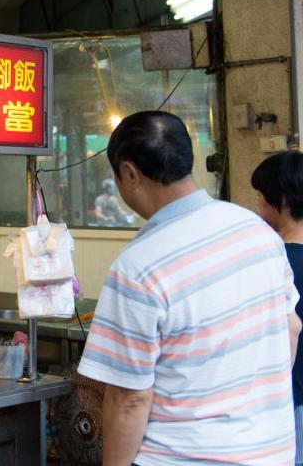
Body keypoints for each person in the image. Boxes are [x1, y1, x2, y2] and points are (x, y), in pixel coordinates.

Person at [78, 111, 301, 465]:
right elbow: (291, 327)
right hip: (272, 453)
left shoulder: (139, 266)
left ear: (129, 173)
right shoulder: (257, 232)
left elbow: (129, 398)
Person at [251, 151, 303, 465]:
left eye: (259, 198)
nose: (257, 208)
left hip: (289, 399)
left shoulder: (274, 262)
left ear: (281, 201)